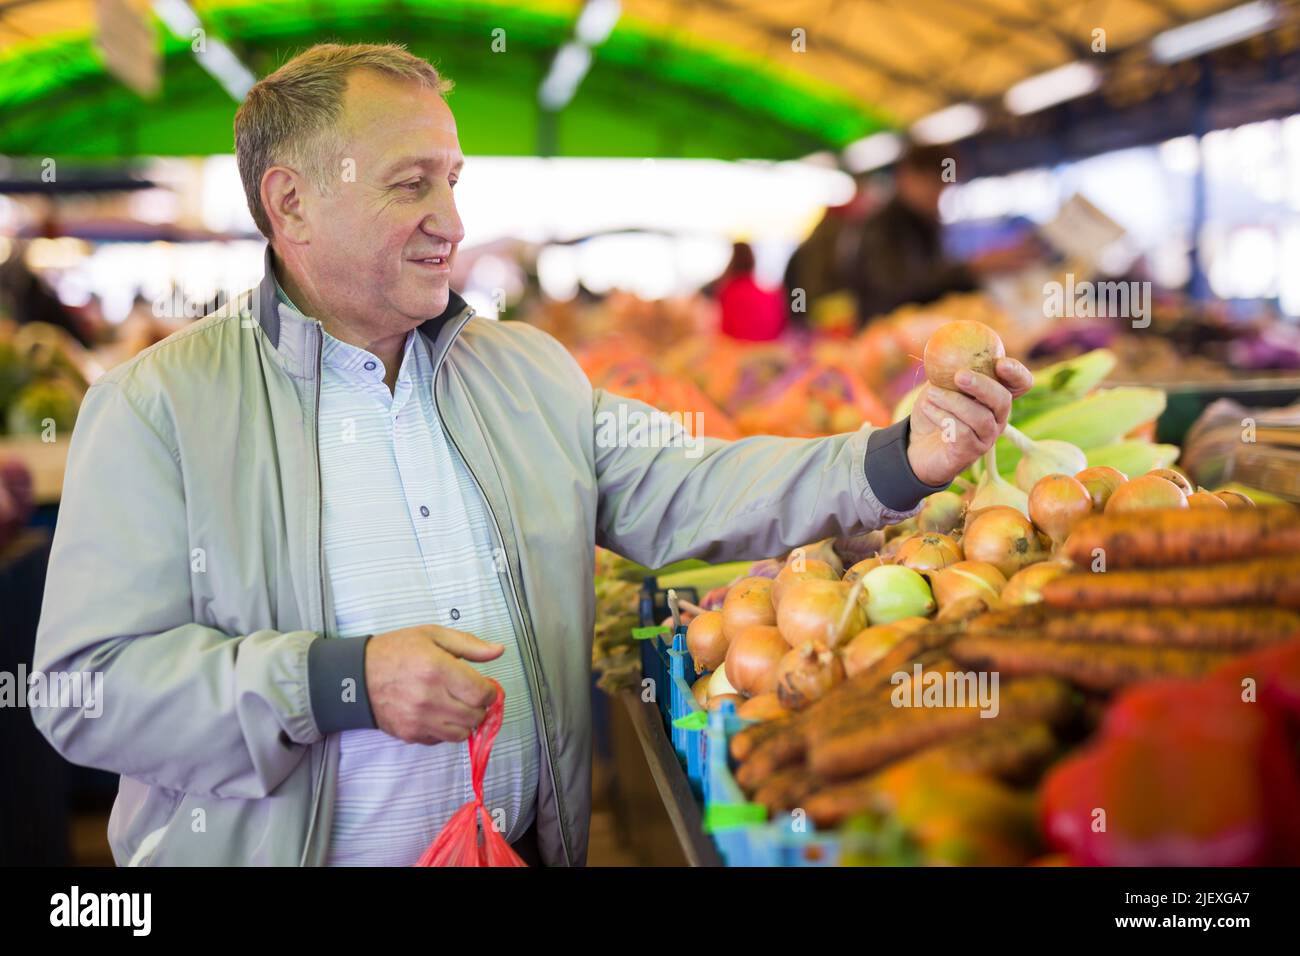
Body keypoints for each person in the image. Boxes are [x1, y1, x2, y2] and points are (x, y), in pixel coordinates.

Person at [31, 44, 1032, 867]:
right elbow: (88, 690)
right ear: (289, 203)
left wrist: (898, 456)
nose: (450, 222)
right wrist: (341, 680)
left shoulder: (529, 373)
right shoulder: (157, 407)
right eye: (409, 185)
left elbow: (689, 483)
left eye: (454, 181)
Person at [786, 143, 1038, 328]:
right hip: (889, 337)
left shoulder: (923, 224)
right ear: (906, 177)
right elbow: (897, 286)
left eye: (943, 188)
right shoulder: (883, 226)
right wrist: (971, 268)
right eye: (931, 184)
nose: (937, 196)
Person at [715, 242, 786, 341]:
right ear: (753, 261)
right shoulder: (769, 295)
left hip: (740, 348)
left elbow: (726, 329)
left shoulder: (727, 291)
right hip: (768, 346)